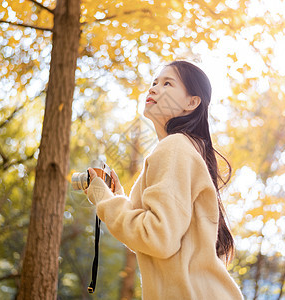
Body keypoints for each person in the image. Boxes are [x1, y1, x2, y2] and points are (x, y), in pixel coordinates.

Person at [85, 60, 244, 299]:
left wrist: (104, 200)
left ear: (192, 102)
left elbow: (158, 237)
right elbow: (158, 237)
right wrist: (118, 198)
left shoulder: (175, 147)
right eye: (154, 82)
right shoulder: (187, 149)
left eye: (167, 83)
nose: (153, 88)